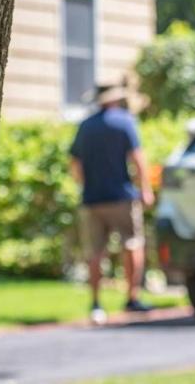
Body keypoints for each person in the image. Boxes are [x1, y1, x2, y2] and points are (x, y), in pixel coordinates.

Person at [70, 85, 155, 323]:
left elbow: (75, 163)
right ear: (116, 100)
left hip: (92, 198)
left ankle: (96, 303)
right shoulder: (125, 122)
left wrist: (85, 184)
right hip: (121, 196)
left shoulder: (85, 126)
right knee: (132, 243)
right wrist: (146, 189)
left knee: (95, 252)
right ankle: (132, 298)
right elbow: (137, 157)